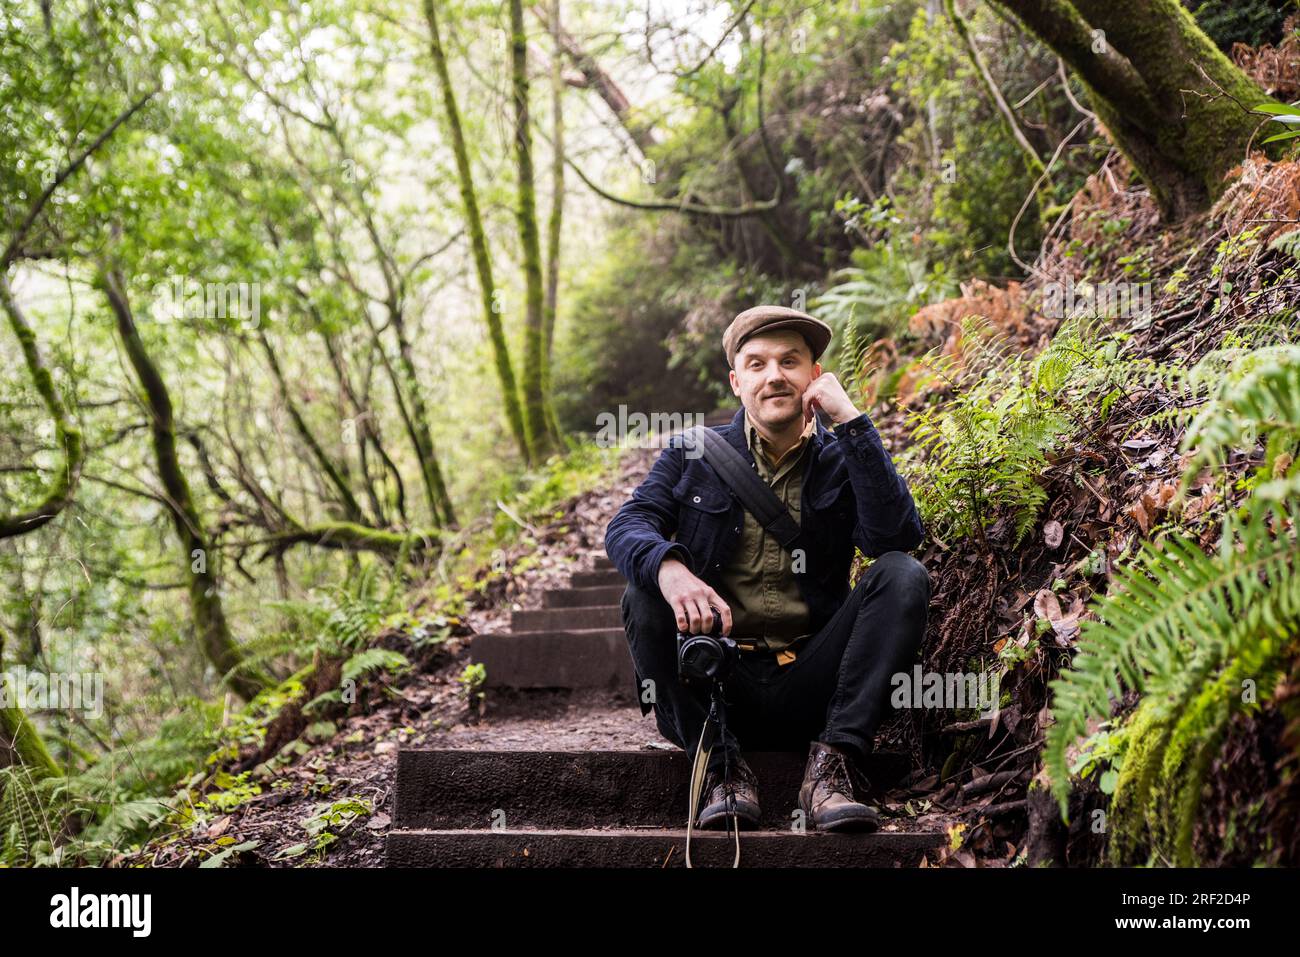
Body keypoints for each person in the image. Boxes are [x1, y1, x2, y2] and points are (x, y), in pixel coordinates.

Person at [604, 304, 931, 832]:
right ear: (737, 382)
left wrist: (853, 424)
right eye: (756, 364)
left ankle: (833, 767)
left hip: (815, 686)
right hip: (714, 687)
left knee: (901, 573)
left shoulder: (845, 455)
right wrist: (670, 569)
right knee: (642, 593)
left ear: (814, 377)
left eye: (789, 361)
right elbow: (627, 525)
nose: (774, 375)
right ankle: (720, 767)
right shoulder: (692, 453)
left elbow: (895, 538)